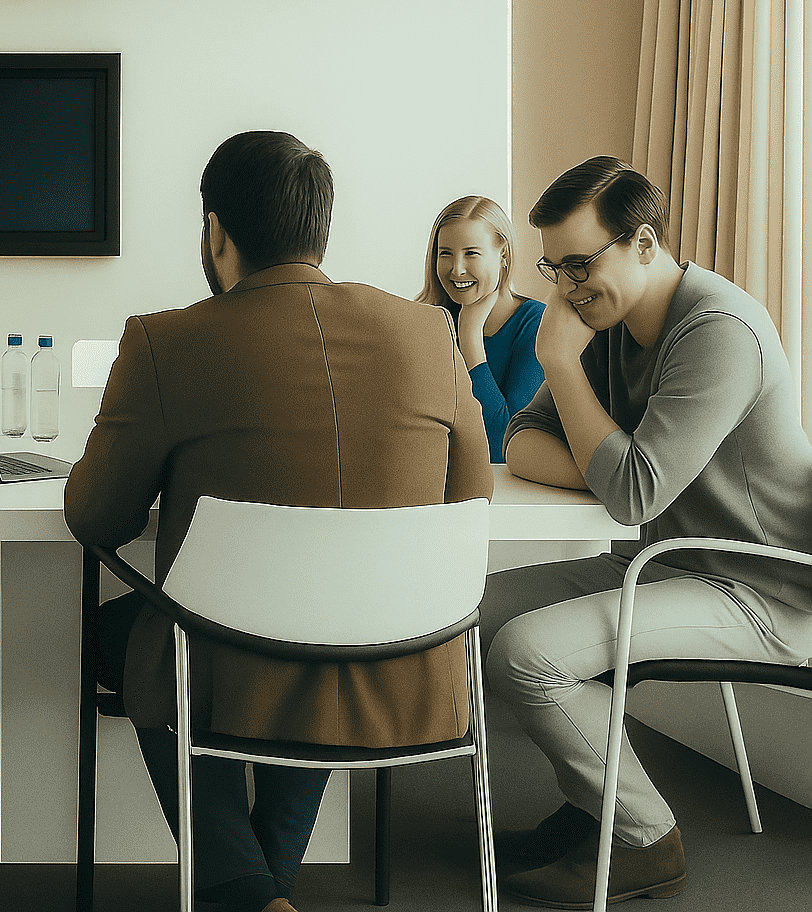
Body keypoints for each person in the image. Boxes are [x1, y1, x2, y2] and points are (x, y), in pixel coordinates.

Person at [65, 131, 494, 912]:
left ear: (216, 231)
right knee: (327, 622)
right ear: (319, 230)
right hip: (405, 657)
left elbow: (95, 516)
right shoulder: (432, 334)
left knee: (132, 636)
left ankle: (245, 892)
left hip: (229, 662)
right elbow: (468, 502)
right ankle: (268, 888)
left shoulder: (168, 340)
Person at [483, 157, 812, 908]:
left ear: (642, 241)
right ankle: (598, 803)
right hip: (665, 564)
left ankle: (641, 839)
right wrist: (611, 462)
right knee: (472, 614)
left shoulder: (718, 330)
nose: (565, 289)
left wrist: (559, 365)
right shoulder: (614, 320)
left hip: (762, 586)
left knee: (528, 654)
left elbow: (632, 490)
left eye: (578, 264)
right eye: (554, 268)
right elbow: (524, 442)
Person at [415, 195, 545, 461]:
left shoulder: (535, 324)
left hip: (508, 495)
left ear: (503, 255)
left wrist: (471, 339)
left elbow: (503, 446)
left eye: (471, 253)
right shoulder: (426, 321)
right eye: (445, 254)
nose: (457, 269)